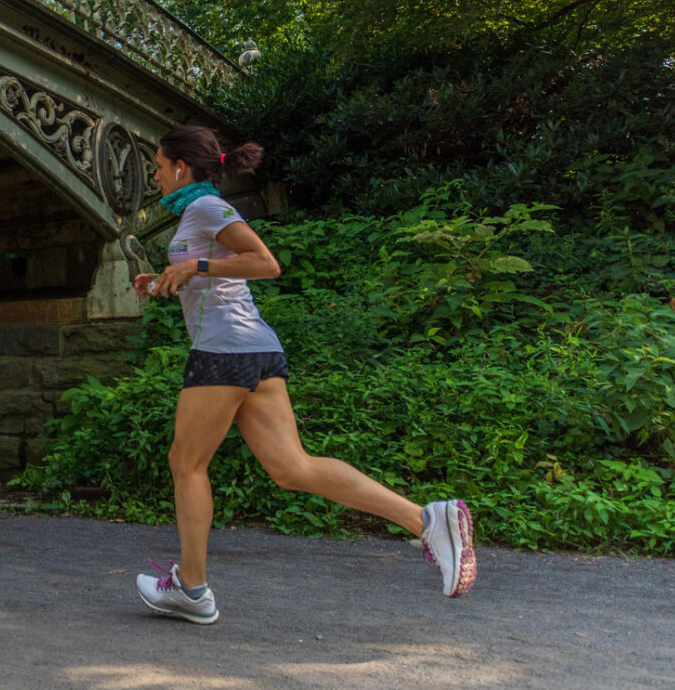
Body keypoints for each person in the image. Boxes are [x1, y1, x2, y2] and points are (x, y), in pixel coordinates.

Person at [130, 126, 476, 625]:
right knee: (293, 468)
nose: (156, 175)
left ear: (181, 168)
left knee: (186, 463)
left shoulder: (206, 207)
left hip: (224, 352)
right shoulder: (197, 212)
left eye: (159, 166)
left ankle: (191, 586)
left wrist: (196, 266)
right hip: (254, 351)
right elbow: (212, 274)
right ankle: (427, 519)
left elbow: (265, 263)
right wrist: (170, 277)